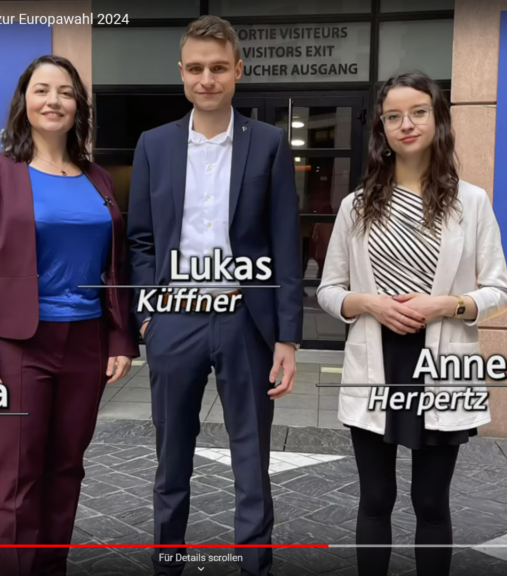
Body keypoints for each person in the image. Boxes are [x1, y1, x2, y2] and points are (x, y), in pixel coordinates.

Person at [126, 15, 303, 576]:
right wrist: (148, 312)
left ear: (237, 72)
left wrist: (288, 337)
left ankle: (255, 566)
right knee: (170, 459)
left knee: (252, 461)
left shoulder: (269, 143)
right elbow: (140, 239)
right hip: (175, 317)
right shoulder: (154, 144)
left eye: (219, 68)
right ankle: (168, 564)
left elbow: (284, 243)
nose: (208, 78)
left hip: (245, 319)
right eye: (197, 68)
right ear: (181, 73)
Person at [316, 71, 507, 575]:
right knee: (375, 498)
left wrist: (445, 305)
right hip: (376, 359)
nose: (407, 124)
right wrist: (371, 304)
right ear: (381, 128)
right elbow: (328, 289)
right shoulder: (355, 206)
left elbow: (498, 291)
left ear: (437, 118)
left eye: (418, 112)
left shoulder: (472, 202)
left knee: (430, 502)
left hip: (441, 362)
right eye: (394, 116)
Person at [0, 54, 138, 576]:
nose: (53, 100)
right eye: (41, 90)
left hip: (85, 344)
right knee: (13, 476)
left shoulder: (98, 179)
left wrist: (121, 337)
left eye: (65, 91)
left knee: (65, 469)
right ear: (24, 102)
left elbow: (115, 264)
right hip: (14, 346)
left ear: (79, 106)